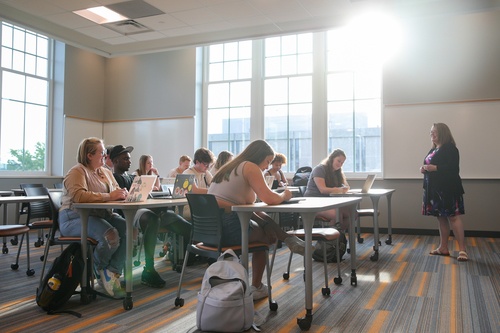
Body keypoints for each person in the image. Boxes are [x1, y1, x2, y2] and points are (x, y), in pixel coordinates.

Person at [208, 139, 307, 300]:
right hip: (229, 227)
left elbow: (248, 205)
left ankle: (288, 239)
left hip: (210, 229)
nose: (267, 166)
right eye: (267, 161)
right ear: (259, 156)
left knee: (263, 223)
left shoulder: (230, 167)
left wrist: (266, 224)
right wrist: (285, 195)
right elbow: (269, 199)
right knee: (266, 237)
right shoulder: (250, 166)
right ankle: (257, 286)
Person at [59, 137, 128, 297]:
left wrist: (123, 194)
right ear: (89, 155)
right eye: (102, 153)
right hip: (74, 217)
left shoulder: (105, 172)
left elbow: (116, 190)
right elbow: (79, 196)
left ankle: (111, 271)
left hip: (99, 215)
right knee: (111, 235)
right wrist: (109, 196)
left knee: (130, 230)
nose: (106, 156)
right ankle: (97, 269)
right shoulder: (77, 171)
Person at [111, 145, 166, 288]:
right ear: (115, 161)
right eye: (125, 159)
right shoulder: (112, 178)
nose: (129, 162)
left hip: (135, 209)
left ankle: (149, 267)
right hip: (123, 213)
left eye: (129, 159)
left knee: (158, 216)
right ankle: (148, 267)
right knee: (152, 219)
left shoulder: (130, 178)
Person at [421, 123, 467, 261]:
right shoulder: (433, 150)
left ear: (443, 133)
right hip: (434, 189)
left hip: (448, 189)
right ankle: (443, 247)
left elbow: (453, 168)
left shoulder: (450, 148)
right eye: (430, 132)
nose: (432, 135)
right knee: (440, 218)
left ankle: (462, 250)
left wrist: (435, 168)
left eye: (434, 132)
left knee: (453, 217)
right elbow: (429, 165)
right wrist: (423, 169)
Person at [304, 149, 351, 230]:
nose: (340, 164)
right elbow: (322, 189)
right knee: (337, 215)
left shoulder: (337, 173)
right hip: (314, 203)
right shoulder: (319, 169)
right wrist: (339, 190)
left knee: (353, 213)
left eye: (342, 163)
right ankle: (331, 240)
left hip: (328, 203)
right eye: (338, 161)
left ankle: (338, 237)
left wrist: (344, 188)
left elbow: (345, 186)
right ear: (332, 158)